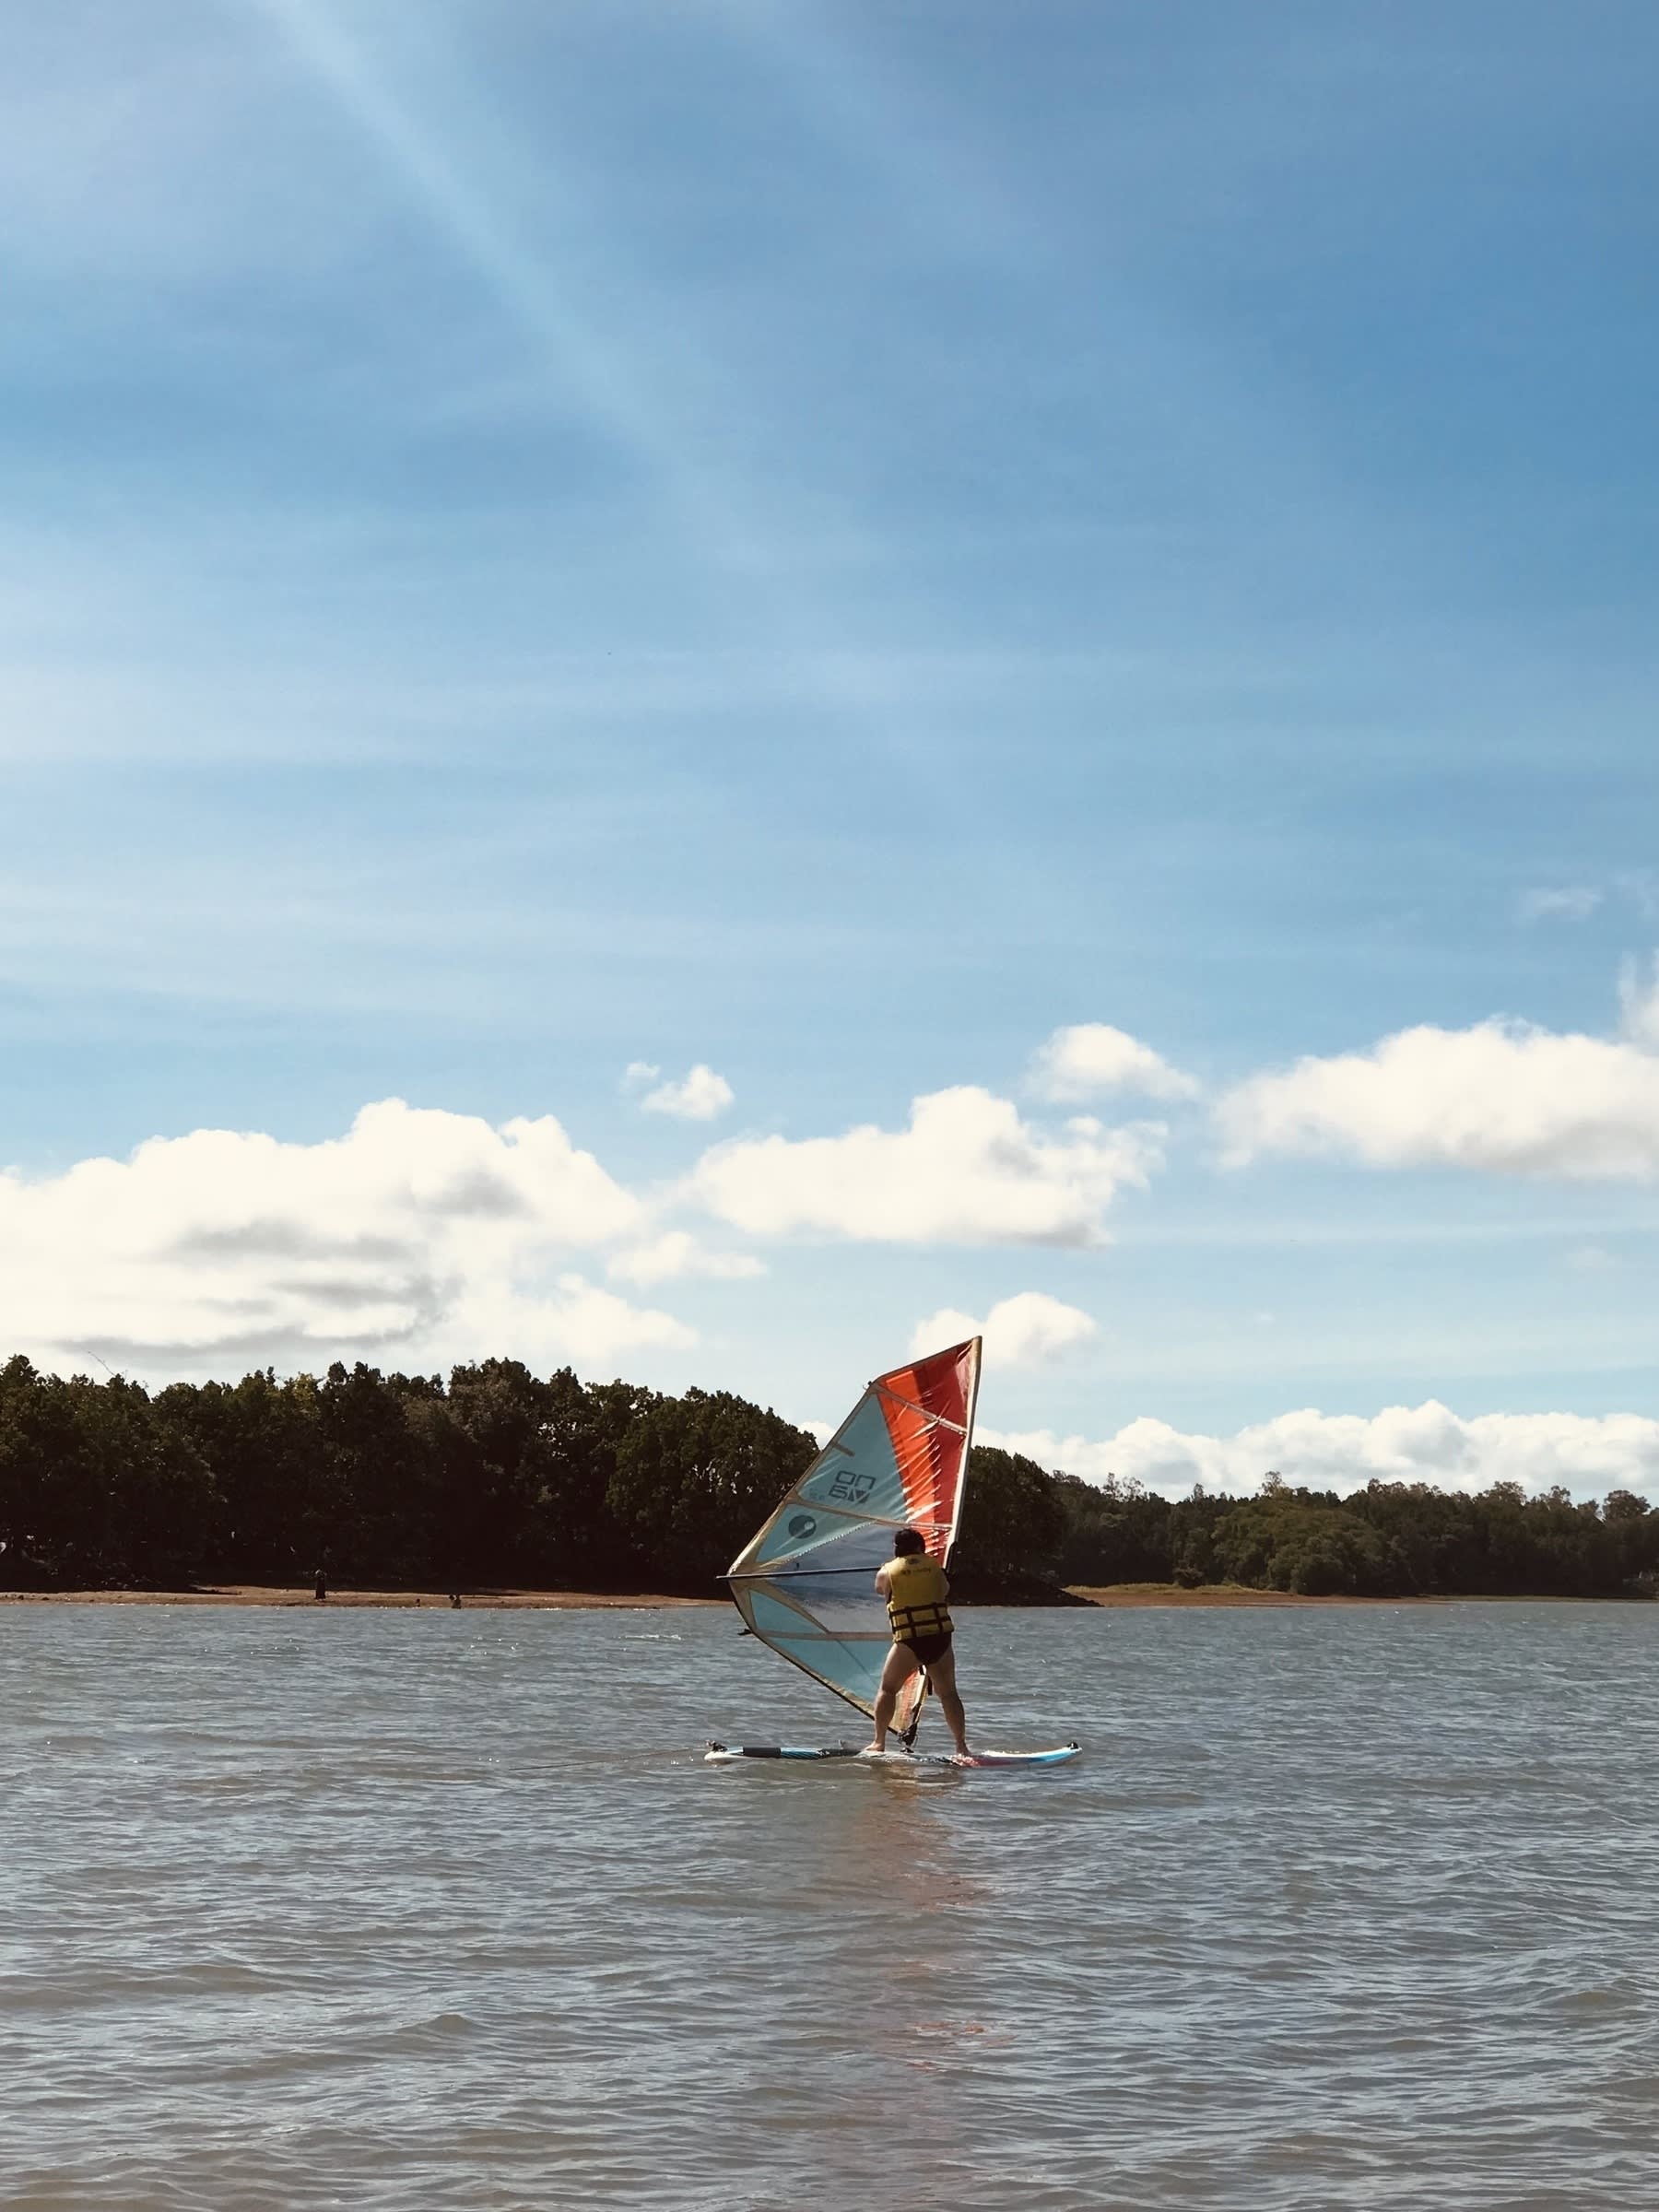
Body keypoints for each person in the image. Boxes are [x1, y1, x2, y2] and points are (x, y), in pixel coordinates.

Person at [865, 1527, 973, 1761]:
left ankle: (879, 1742)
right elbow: (945, 1590)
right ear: (920, 1547)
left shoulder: (887, 1572)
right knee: (949, 1693)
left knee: (888, 1689)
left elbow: (879, 1590)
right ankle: (961, 1746)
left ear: (896, 1549)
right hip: (939, 1638)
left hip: (909, 1640)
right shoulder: (935, 1567)